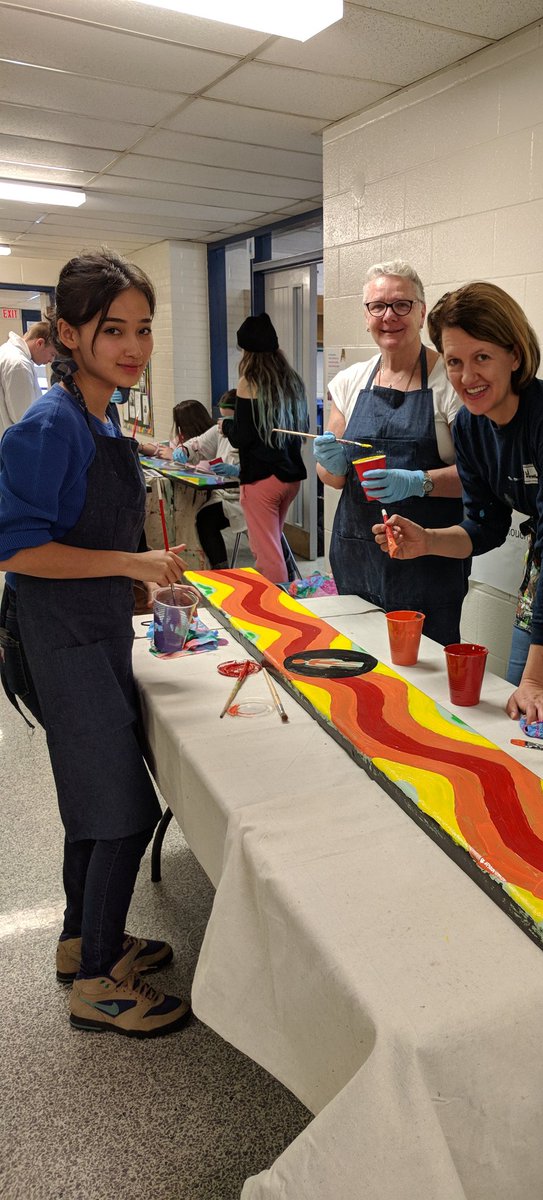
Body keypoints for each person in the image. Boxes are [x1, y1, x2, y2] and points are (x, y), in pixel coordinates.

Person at [0, 249, 191, 1036]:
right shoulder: (50, 425)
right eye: (113, 329)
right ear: (70, 333)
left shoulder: (100, 413)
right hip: (57, 641)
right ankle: (101, 985)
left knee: (93, 802)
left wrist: (140, 588)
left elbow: (78, 529)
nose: (134, 347)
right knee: (119, 811)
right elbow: (15, 549)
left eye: (144, 329)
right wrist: (128, 562)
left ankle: (85, 941)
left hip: (93, 628)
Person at [374, 282, 543, 732]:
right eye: (455, 362)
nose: (467, 377)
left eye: (482, 357)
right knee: (519, 705)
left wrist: (538, 682)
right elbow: (485, 528)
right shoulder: (468, 427)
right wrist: (427, 541)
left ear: (514, 355)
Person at [313, 261, 469, 646]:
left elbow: (478, 477)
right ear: (366, 316)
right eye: (377, 307)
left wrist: (419, 482)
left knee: (424, 679)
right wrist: (329, 462)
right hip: (357, 557)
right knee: (357, 670)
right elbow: (332, 478)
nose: (389, 316)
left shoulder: (451, 382)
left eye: (401, 305)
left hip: (429, 564)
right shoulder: (349, 382)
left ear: (421, 312)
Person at [221, 314, 307, 583]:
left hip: (262, 480)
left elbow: (243, 437)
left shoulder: (250, 380)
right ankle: (285, 600)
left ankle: (277, 614)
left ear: (248, 351)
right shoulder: (291, 380)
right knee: (274, 546)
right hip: (290, 479)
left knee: (267, 556)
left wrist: (226, 426)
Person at [157, 396, 243, 569]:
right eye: (222, 418)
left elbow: (264, 467)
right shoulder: (220, 430)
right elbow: (198, 444)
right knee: (205, 520)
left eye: (229, 420)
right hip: (227, 495)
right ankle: (222, 570)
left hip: (251, 496)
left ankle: (284, 575)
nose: (223, 424)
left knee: (266, 543)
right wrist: (184, 450)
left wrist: (239, 471)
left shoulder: (253, 433)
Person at [0, 320, 55, 435]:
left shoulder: (7, 351)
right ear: (40, 343)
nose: (51, 360)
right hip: (13, 443)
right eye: (52, 354)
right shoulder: (19, 364)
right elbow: (24, 417)